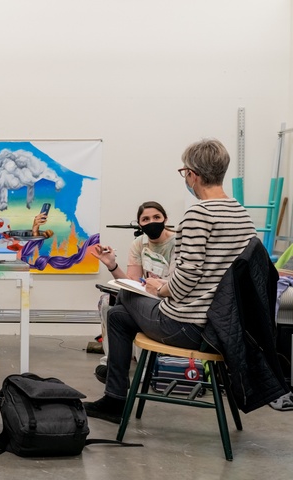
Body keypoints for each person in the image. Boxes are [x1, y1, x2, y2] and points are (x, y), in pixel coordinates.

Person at [83, 138, 256, 423]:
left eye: (184, 172)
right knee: (117, 316)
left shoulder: (198, 214)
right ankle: (114, 399)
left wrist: (160, 288)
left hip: (188, 327)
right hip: (224, 327)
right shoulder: (242, 214)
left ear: (193, 174)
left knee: (121, 296)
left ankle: (115, 401)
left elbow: (186, 278)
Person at [92, 201, 176, 383]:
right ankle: (112, 362)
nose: (152, 221)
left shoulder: (178, 242)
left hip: (167, 299)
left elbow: (178, 285)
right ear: (140, 224)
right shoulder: (139, 244)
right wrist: (112, 265)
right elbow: (132, 283)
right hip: (145, 297)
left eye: (156, 217)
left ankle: (130, 368)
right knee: (108, 303)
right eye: (145, 219)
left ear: (165, 219)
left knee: (120, 307)